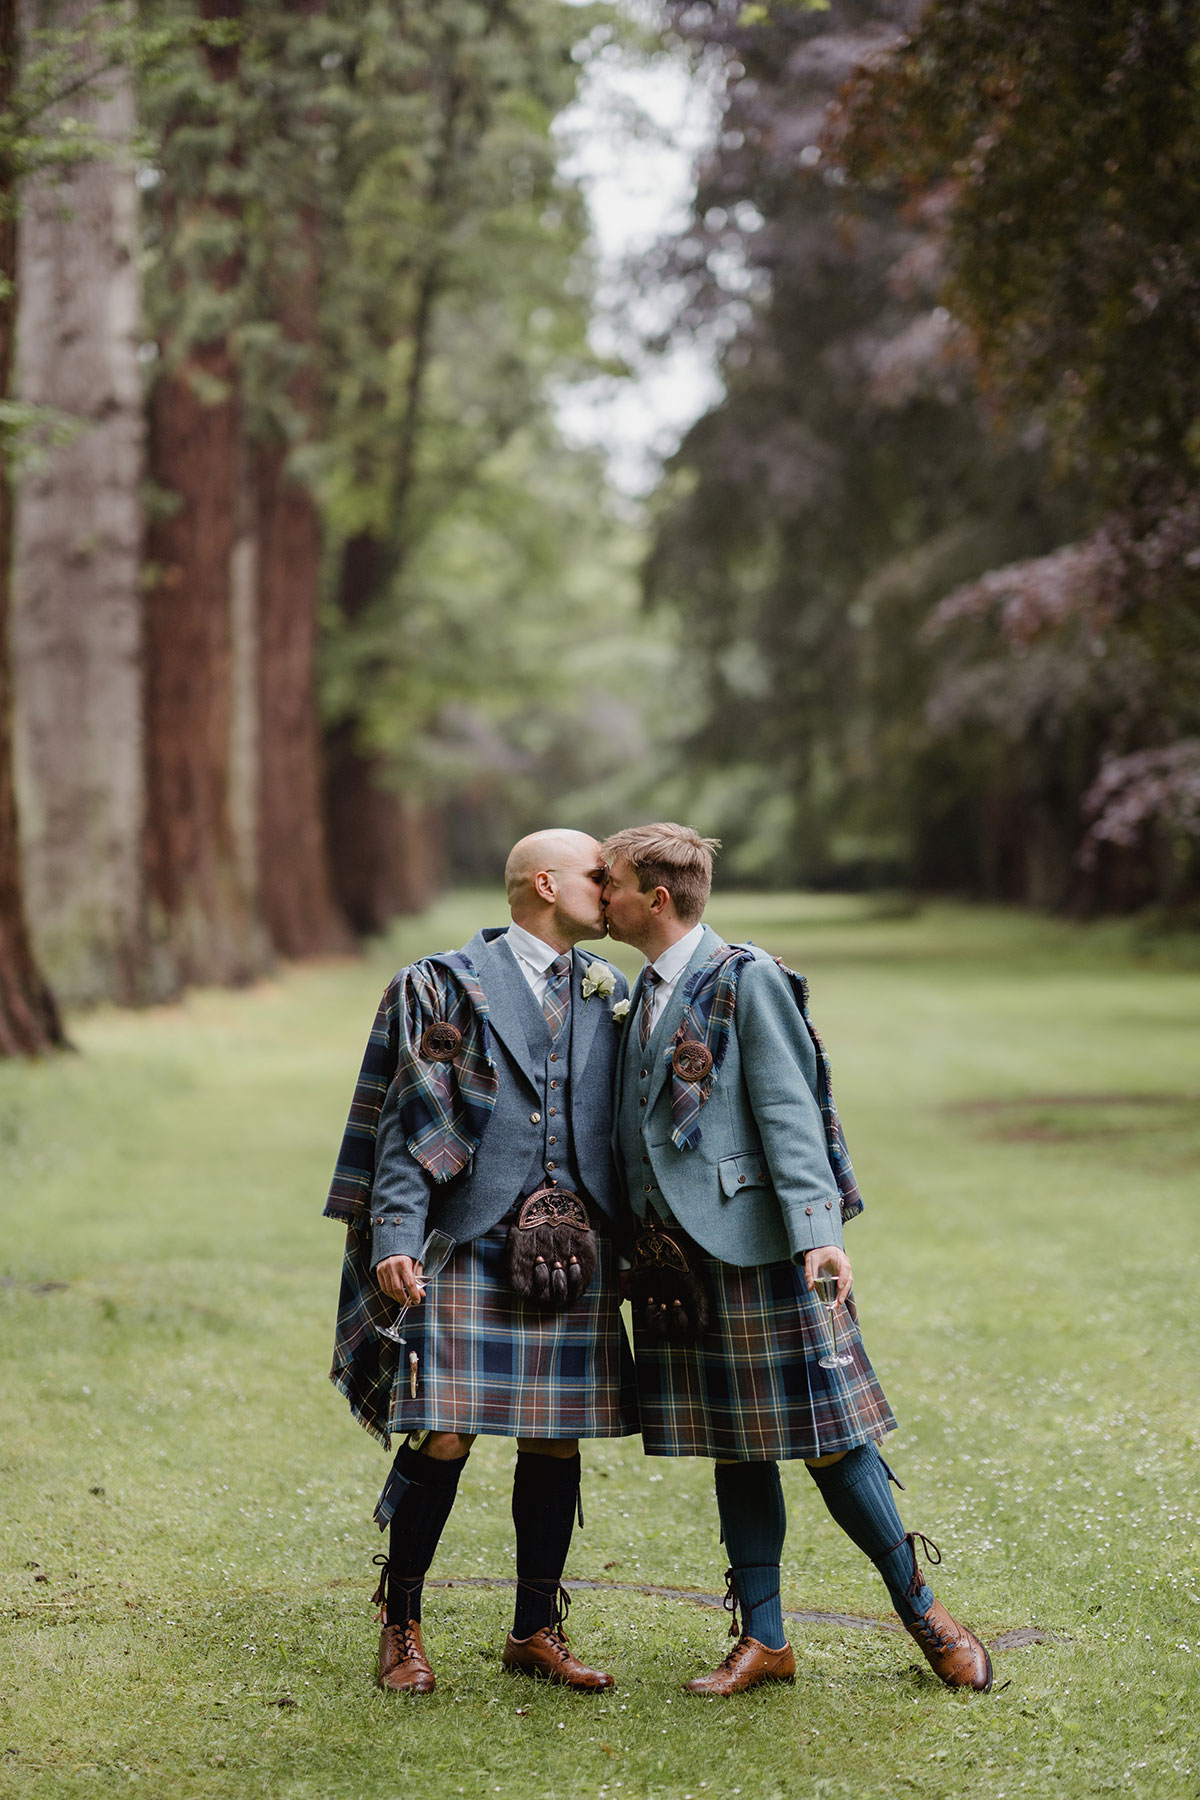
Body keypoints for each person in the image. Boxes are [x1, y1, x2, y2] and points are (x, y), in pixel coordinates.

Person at [600, 822, 991, 1697]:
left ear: (656, 898)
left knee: (831, 1440)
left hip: (759, 1245)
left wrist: (819, 1229)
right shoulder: (637, 991)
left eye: (611, 881)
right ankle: (765, 1639)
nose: (601, 894)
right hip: (675, 1261)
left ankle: (927, 1615)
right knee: (736, 1446)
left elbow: (790, 1105)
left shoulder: (747, 978)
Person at [323, 829, 637, 1695]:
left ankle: (534, 1630)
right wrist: (394, 1235)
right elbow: (406, 1122)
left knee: (554, 1434)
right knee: (448, 1428)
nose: (612, 891)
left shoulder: (612, 990)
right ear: (546, 882)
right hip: (470, 1235)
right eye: (597, 877)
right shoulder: (444, 983)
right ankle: (401, 1627)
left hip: (576, 1244)